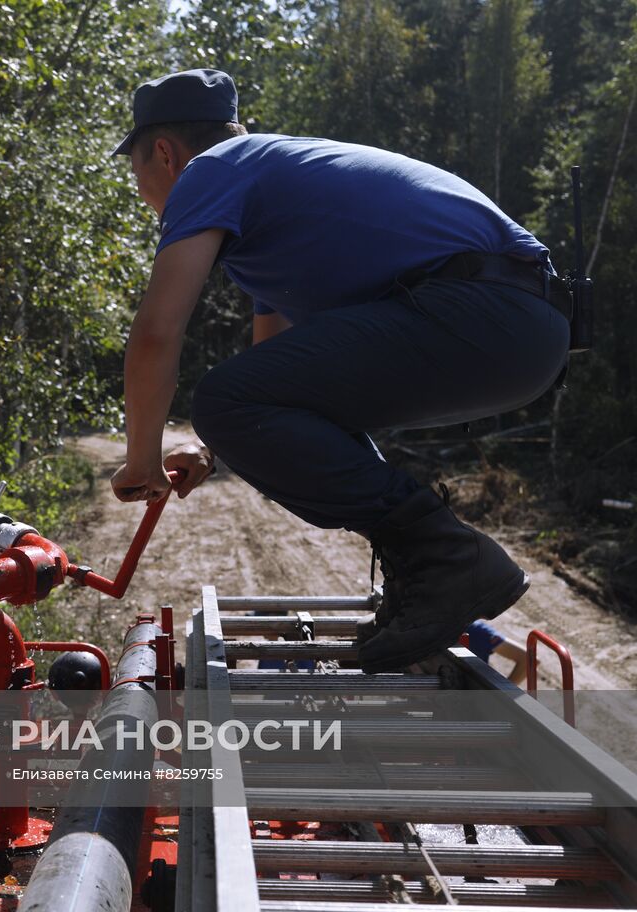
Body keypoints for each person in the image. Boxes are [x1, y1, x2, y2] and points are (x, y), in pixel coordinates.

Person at [107, 69, 570, 673]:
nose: (141, 189)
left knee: (220, 399)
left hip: (486, 312)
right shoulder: (270, 209)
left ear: (164, 154)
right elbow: (274, 377)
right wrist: (210, 446)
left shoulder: (211, 171)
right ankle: (430, 579)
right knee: (237, 406)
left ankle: (448, 557)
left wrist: (141, 461)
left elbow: (155, 335)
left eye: (137, 171)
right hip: (520, 330)